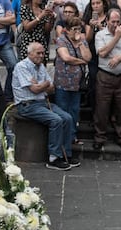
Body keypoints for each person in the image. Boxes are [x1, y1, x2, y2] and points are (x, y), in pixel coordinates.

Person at [12, 42, 80, 171]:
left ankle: (66, 154)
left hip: (42, 102)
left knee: (67, 117)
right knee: (56, 120)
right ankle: (54, 157)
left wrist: (42, 85)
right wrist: (45, 84)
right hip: (27, 105)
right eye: (38, 53)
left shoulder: (41, 67)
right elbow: (35, 89)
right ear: (29, 53)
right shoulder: (22, 67)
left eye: (43, 53)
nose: (41, 55)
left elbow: (51, 89)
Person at [93, 8, 121, 150]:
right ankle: (99, 137)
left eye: (118, 22)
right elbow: (103, 53)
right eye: (113, 21)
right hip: (105, 76)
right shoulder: (100, 35)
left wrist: (120, 57)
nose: (116, 25)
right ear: (107, 21)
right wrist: (117, 37)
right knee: (102, 109)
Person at [54, 17, 92, 145]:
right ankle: (62, 139)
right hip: (63, 84)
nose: (77, 32)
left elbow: (88, 57)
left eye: (79, 29)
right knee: (63, 111)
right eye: (74, 29)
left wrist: (80, 43)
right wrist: (82, 62)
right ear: (67, 30)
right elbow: (66, 58)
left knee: (74, 112)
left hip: (77, 84)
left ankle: (72, 136)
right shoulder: (61, 40)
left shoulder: (82, 41)